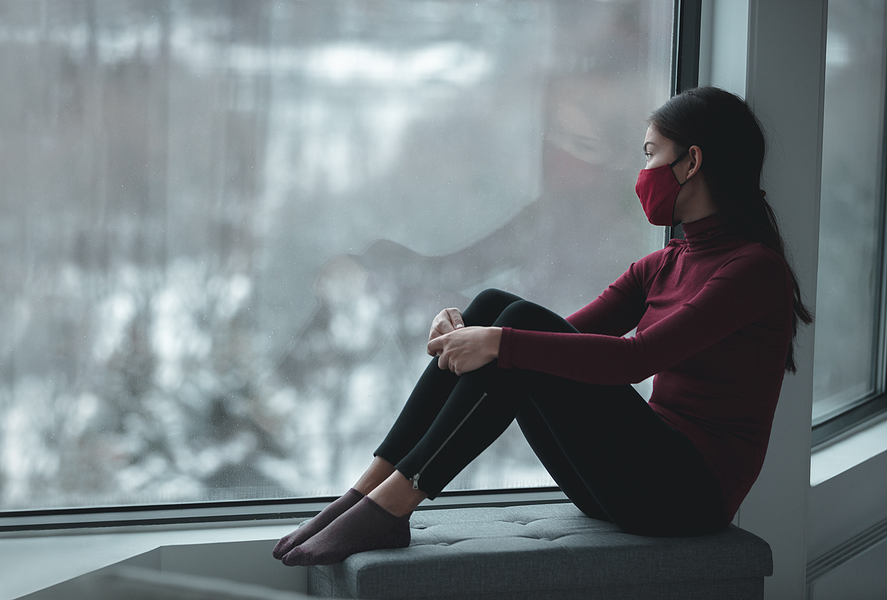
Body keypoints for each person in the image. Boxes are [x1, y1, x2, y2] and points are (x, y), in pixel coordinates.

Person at [272, 86, 813, 567]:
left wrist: (500, 342)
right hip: (631, 483)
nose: (641, 175)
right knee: (495, 307)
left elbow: (635, 358)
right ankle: (366, 493)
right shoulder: (666, 262)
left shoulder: (753, 270)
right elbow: (560, 343)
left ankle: (394, 503)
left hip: (688, 495)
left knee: (513, 333)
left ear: (691, 162)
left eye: (650, 155)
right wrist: (472, 328)